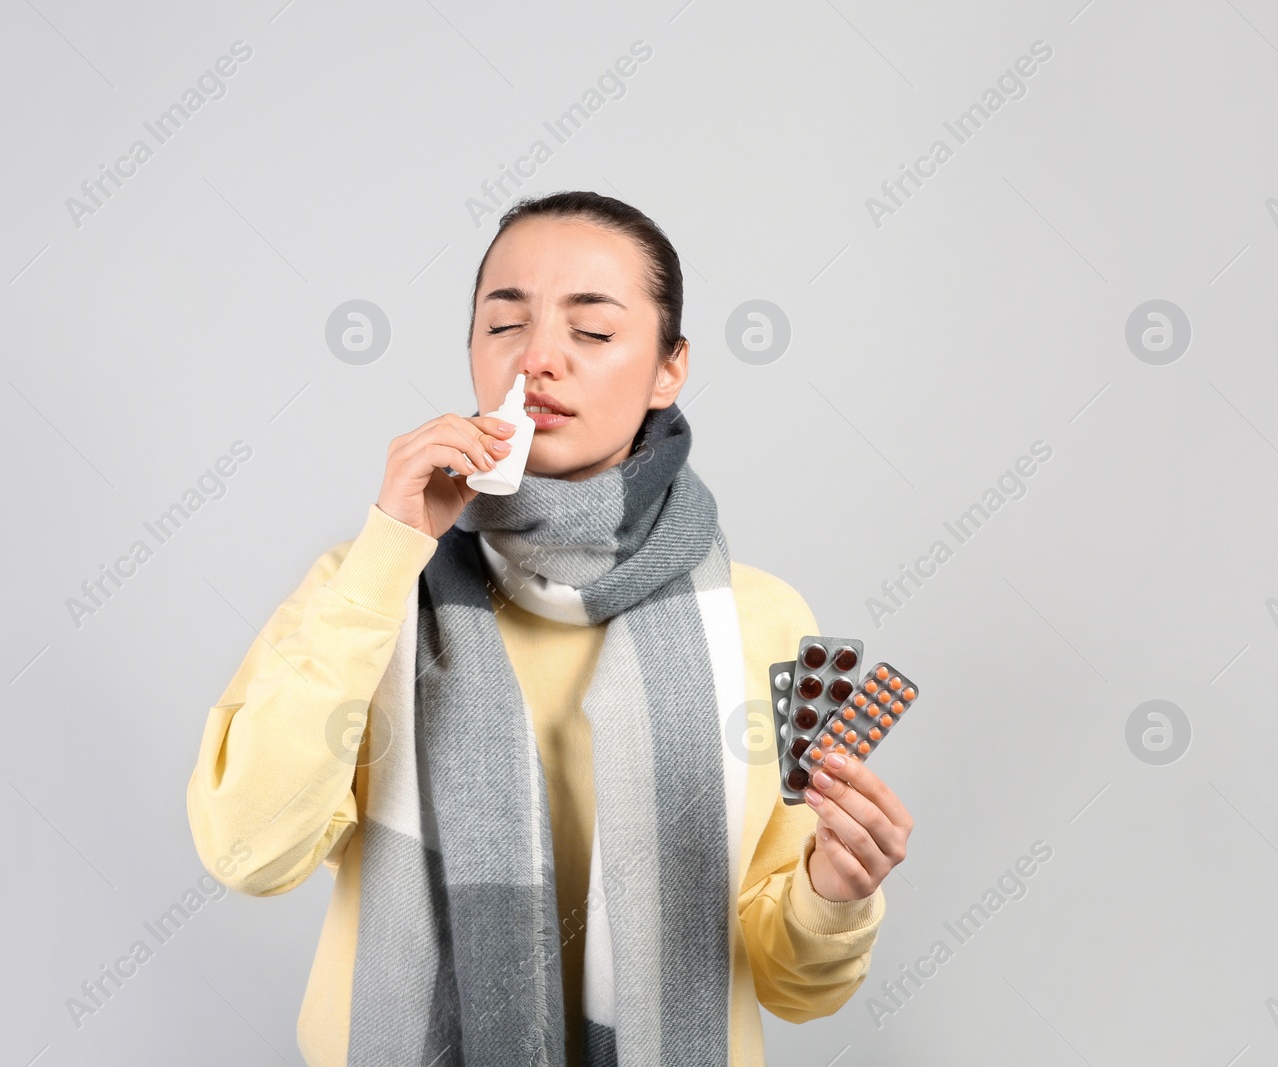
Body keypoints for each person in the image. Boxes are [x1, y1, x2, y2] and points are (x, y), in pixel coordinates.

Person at [186, 190, 913, 1067]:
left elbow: (800, 986)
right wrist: (390, 550)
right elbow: (248, 849)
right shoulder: (368, 587)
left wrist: (833, 890)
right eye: (504, 326)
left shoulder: (763, 620)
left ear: (669, 369)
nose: (538, 359)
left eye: (593, 332)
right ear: (471, 353)